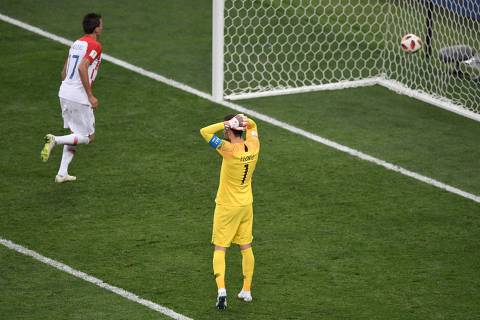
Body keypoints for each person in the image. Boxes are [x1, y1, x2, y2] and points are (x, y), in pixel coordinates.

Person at [200, 114, 260, 310]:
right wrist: (243, 119)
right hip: (246, 205)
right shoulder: (254, 144)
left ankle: (222, 291)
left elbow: (205, 132)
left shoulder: (226, 149)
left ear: (228, 131)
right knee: (246, 246)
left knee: (220, 248)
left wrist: (225, 123)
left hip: (227, 207)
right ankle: (246, 290)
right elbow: (253, 124)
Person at [40, 13, 103, 183]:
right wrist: (89, 95)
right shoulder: (95, 45)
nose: (102, 27)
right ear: (96, 28)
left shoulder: (76, 43)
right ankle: (55, 139)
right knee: (88, 137)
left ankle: (62, 173)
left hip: (64, 91)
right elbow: (83, 68)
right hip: (78, 95)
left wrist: (69, 89)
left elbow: (63, 73)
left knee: (75, 133)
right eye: (101, 25)